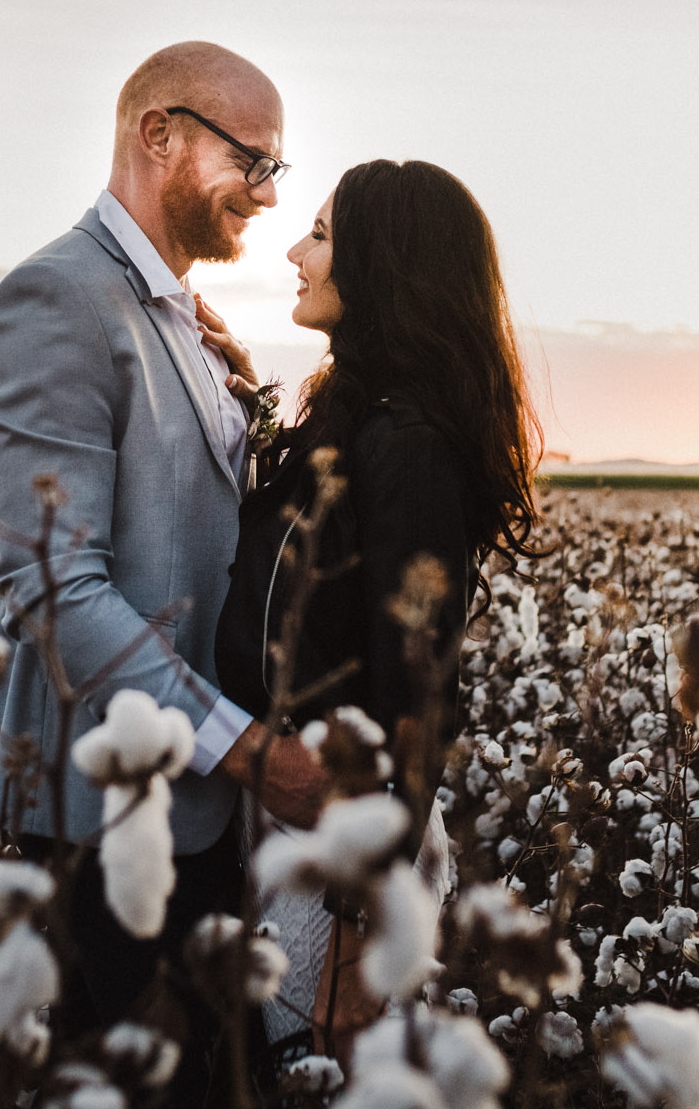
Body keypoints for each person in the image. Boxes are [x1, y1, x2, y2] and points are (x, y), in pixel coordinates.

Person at [0, 40, 300, 1109]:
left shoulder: (173, 315)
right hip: (86, 819)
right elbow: (56, 587)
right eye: (253, 159)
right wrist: (248, 750)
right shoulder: (56, 298)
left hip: (174, 804)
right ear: (160, 134)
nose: (267, 191)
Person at [204, 159, 547, 1055]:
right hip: (295, 821)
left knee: (325, 1103)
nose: (294, 249)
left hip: (346, 857)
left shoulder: (409, 446)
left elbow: (416, 695)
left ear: (384, 265)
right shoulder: (357, 422)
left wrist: (359, 932)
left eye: (319, 234)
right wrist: (245, 402)